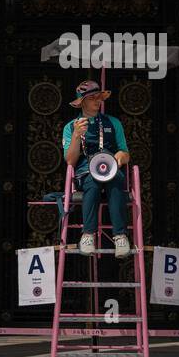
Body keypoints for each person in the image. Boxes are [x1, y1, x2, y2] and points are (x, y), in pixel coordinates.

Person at [61, 79, 133, 257]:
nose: (97, 101)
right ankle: (88, 235)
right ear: (82, 102)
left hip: (110, 168)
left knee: (117, 180)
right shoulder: (71, 127)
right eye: (92, 97)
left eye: (98, 97)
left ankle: (120, 236)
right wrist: (77, 136)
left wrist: (120, 158)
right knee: (92, 183)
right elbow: (70, 161)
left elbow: (125, 153)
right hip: (86, 171)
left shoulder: (113, 123)